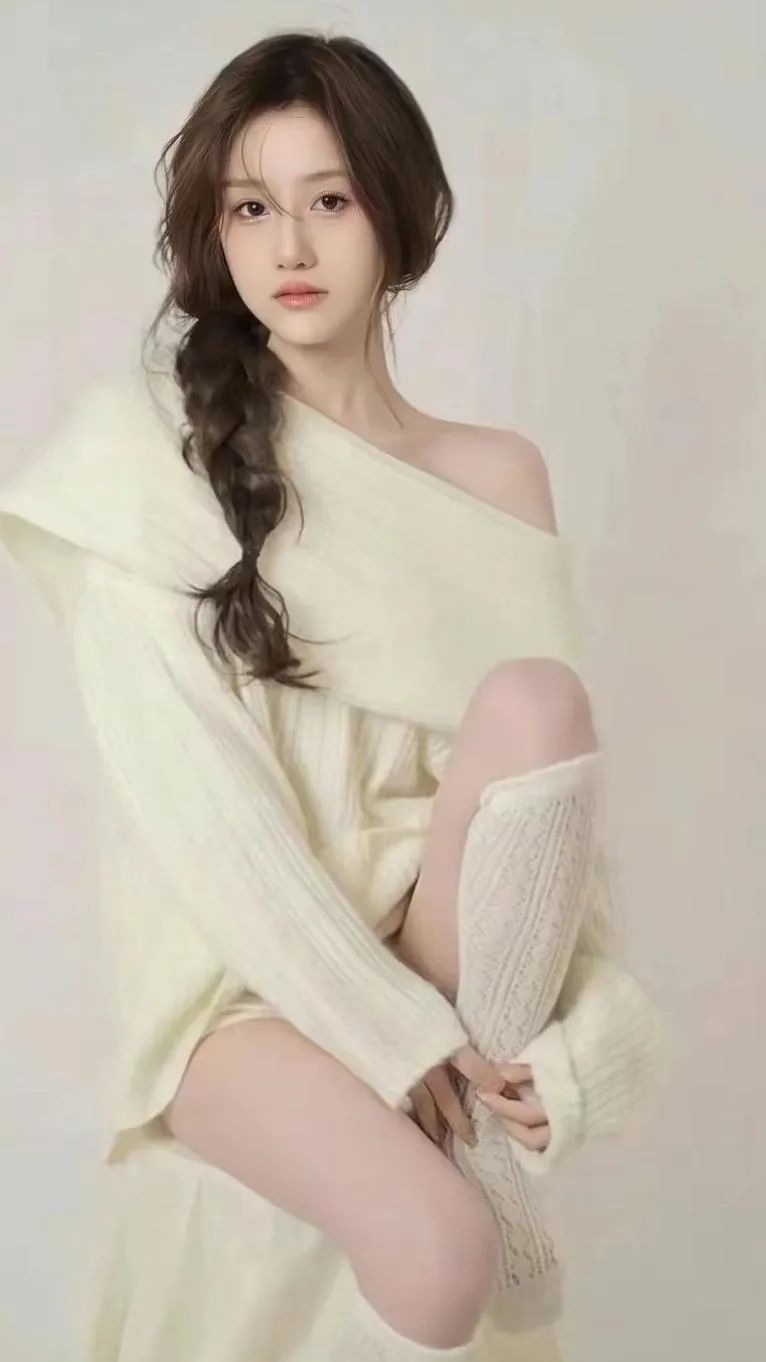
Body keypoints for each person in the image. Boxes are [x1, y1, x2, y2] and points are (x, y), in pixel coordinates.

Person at [0, 29, 662, 1362]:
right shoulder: (145, 464)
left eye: (330, 199)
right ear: (214, 232)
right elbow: (209, 829)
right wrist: (391, 1032)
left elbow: (558, 840)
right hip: (240, 991)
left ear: (398, 214)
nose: (289, 247)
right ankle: (475, 1179)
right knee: (440, 1244)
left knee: (538, 700)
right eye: (251, 208)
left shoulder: (498, 475)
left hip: (443, 951)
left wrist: (597, 1046)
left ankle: (474, 1145)